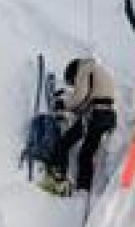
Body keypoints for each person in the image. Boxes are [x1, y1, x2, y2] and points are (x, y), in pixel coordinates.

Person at [41, 57, 117, 195]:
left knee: (64, 143)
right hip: (108, 116)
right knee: (86, 154)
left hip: (94, 115)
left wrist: (62, 104)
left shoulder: (84, 68)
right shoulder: (99, 71)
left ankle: (58, 178)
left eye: (73, 82)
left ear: (73, 72)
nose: (74, 85)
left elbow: (80, 96)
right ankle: (83, 188)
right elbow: (88, 98)